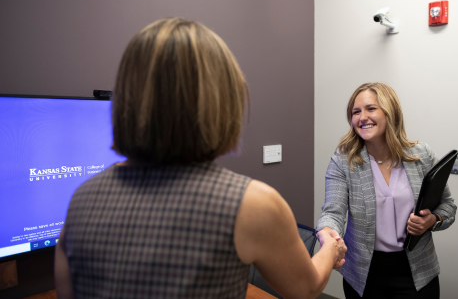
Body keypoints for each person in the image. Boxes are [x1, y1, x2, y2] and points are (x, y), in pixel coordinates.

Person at [54, 18, 346, 299]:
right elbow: (304, 289)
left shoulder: (82, 197)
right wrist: (329, 251)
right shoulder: (251, 204)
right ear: (222, 100)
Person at [316, 83, 457, 299]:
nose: (362, 117)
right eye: (356, 112)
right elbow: (333, 212)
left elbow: (448, 206)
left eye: (371, 108)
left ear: (389, 111)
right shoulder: (343, 161)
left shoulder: (421, 155)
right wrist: (327, 233)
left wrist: (432, 221)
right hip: (363, 273)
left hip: (417, 271)